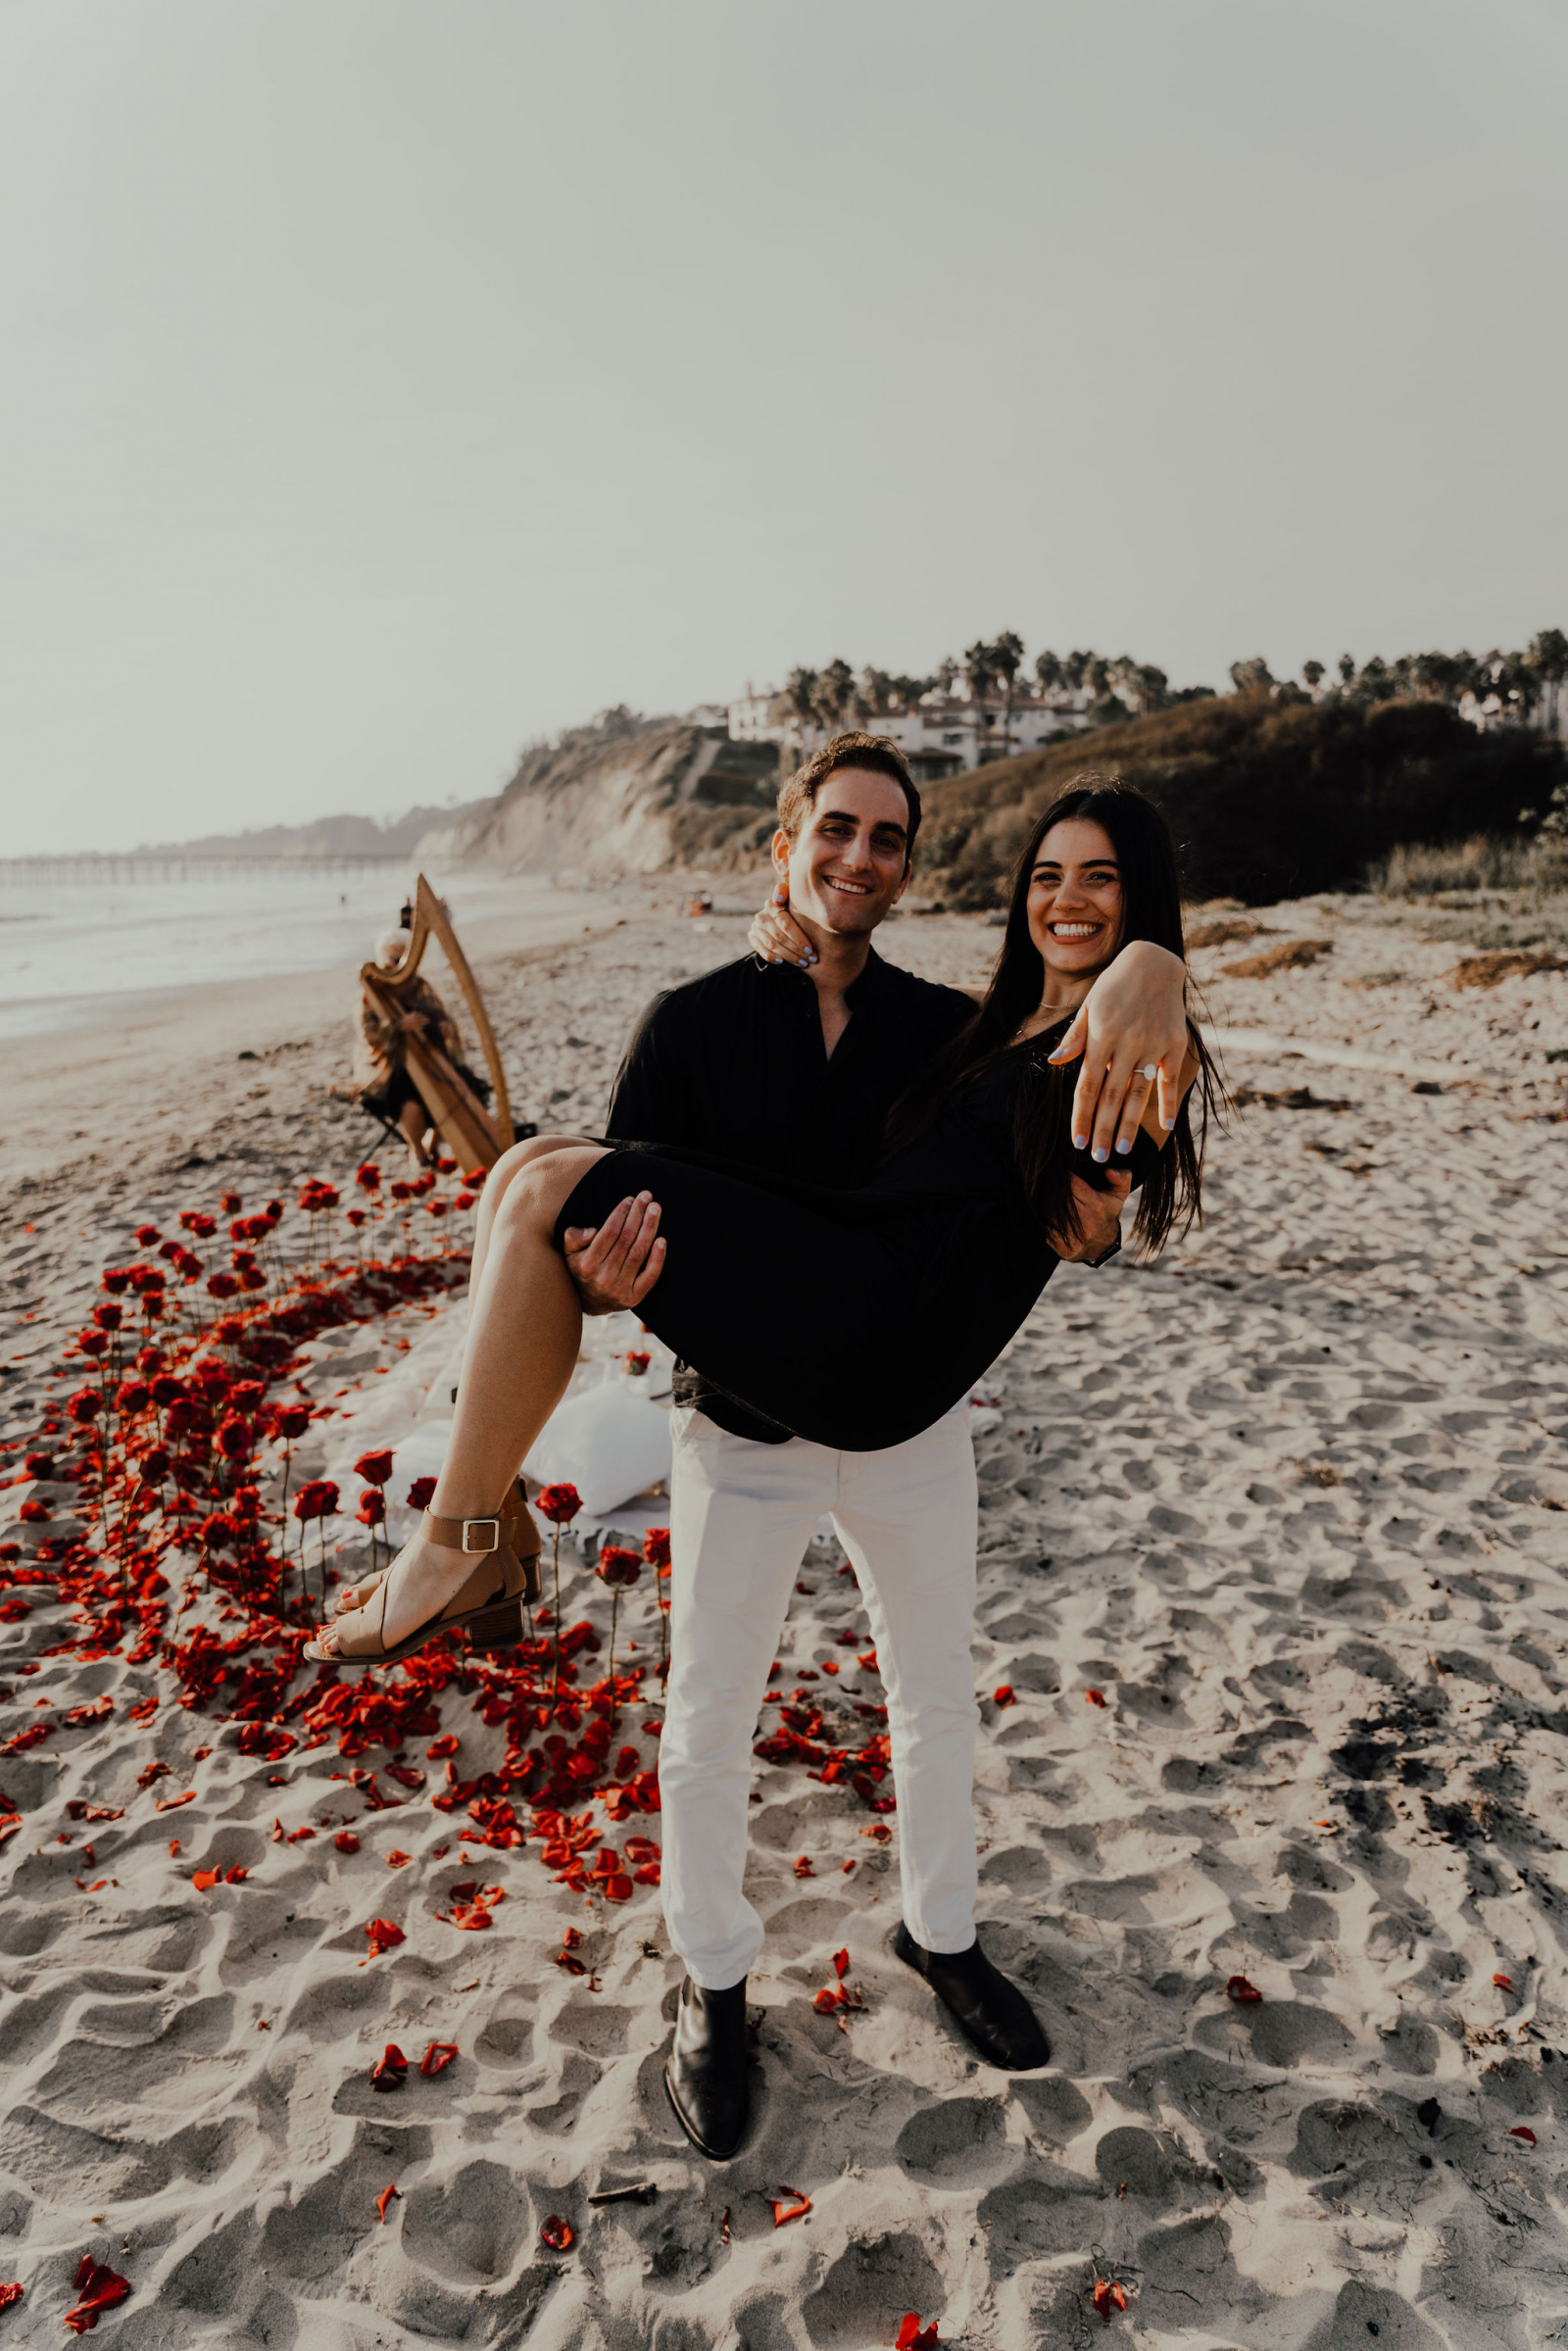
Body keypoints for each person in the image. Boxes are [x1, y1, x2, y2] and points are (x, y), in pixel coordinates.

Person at [313, 754, 1212, 2161]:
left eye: (889, 840)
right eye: (835, 831)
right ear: (786, 841)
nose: (860, 857)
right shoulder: (696, 1022)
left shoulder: (961, 1027)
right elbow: (621, 1271)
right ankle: (713, 1983)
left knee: (932, 1702)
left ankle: (946, 1932)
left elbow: (1089, 1209)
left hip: (907, 1406)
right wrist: (606, 1286)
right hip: (743, 1423)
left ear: (910, 869)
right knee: (535, 1191)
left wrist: (1156, 960)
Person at [353, 927, 492, 1168]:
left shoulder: (419, 985)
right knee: (408, 1099)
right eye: (394, 958)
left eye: (404, 958)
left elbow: (438, 1013)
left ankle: (433, 1144)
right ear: (383, 958)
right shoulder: (372, 994)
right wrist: (399, 1026)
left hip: (427, 1055)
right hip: (392, 1063)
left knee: (462, 1085)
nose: (399, 963)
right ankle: (416, 1150)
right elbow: (370, 1035)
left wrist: (445, 1026)